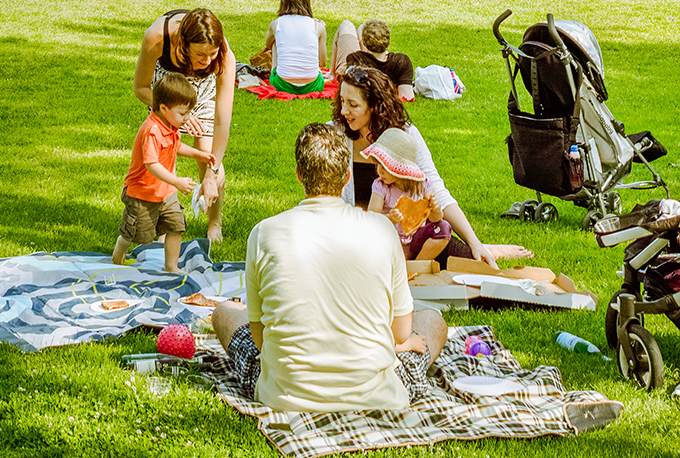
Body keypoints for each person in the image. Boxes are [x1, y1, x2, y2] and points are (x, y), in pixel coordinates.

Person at [208, 124, 447, 414]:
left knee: (224, 312)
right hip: (377, 396)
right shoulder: (383, 230)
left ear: (299, 175)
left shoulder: (264, 233)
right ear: (347, 178)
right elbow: (401, 332)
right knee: (432, 321)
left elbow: (259, 339)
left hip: (285, 395)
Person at [334, 66, 498, 268]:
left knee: (473, 266)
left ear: (375, 106)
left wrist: (474, 242)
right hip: (359, 239)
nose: (343, 111)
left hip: (411, 238)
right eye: (342, 101)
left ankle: (488, 249)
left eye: (353, 105)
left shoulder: (406, 136)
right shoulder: (334, 134)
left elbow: (437, 191)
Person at [136, 8, 237, 241]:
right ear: (183, 44)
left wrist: (211, 173)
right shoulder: (157, 37)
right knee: (162, 159)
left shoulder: (223, 56)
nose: (207, 60)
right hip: (166, 93)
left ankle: (214, 222)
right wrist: (175, 110)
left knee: (208, 157)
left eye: (212, 53)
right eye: (201, 54)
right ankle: (164, 223)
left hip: (203, 94)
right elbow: (140, 87)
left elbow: (222, 120)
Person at [113, 73, 216, 269]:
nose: (187, 118)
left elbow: (175, 145)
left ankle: (171, 266)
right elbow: (151, 164)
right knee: (137, 234)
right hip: (143, 193)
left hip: (166, 193)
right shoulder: (152, 130)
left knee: (175, 227)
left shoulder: (171, 124)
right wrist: (176, 181)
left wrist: (198, 154)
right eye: (183, 113)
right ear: (163, 108)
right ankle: (121, 246)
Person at [366, 143, 451, 262]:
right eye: (377, 166)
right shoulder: (381, 186)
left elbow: (436, 219)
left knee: (443, 228)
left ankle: (416, 266)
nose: (380, 172)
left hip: (416, 239)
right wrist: (389, 218)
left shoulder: (423, 184)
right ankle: (396, 266)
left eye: (384, 167)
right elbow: (371, 218)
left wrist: (436, 209)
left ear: (401, 167)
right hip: (391, 241)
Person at [256, 0, 328, 94]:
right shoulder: (318, 26)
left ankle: (276, 72)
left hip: (282, 84)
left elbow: (268, 44)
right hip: (313, 85)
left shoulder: (276, 24)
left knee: (275, 42)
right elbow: (323, 63)